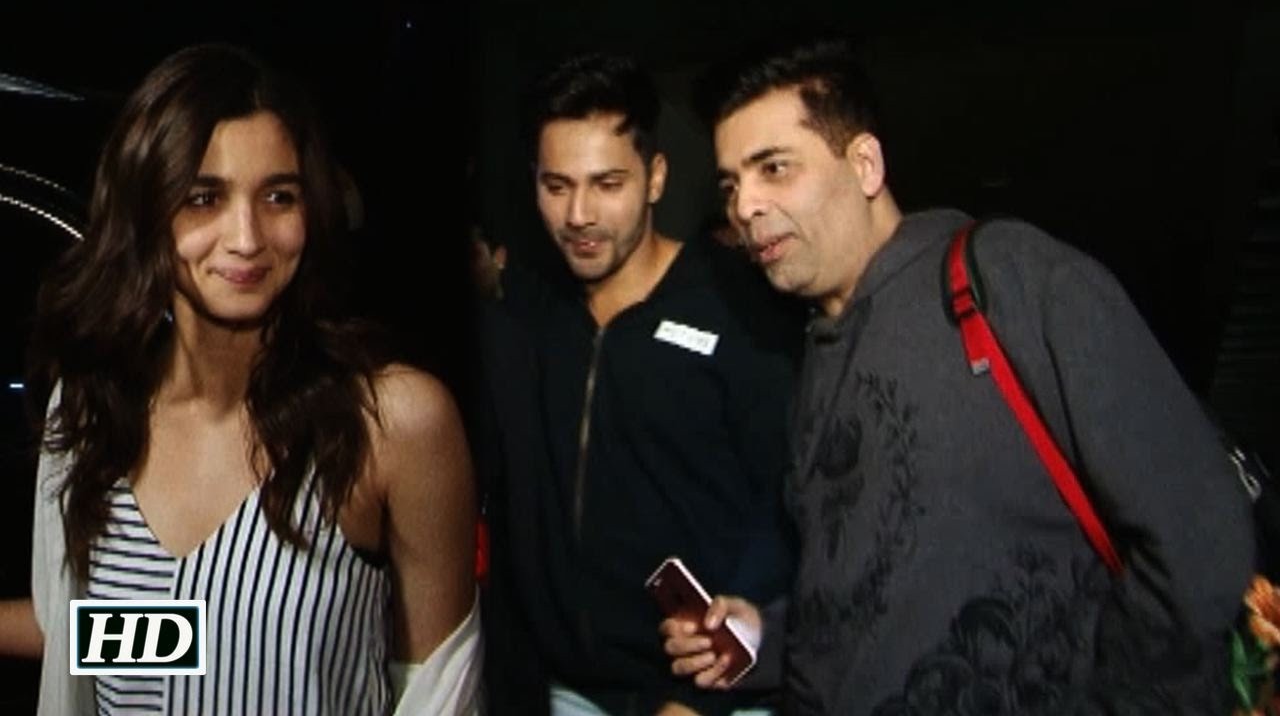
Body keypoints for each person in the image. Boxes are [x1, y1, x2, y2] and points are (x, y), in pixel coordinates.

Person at [662, 38, 1255, 714]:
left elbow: (1198, 537)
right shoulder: (812, 367)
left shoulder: (1010, 278)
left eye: (774, 168)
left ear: (864, 164)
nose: (744, 206)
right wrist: (764, 639)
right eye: (731, 185)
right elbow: (869, 600)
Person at [0, 44, 480, 715]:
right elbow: (183, 640)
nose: (247, 237)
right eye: (205, 198)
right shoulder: (89, 413)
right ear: (146, 211)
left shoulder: (390, 424)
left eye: (279, 196)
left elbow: (442, 693)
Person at [478, 52, 801, 715]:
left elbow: (786, 506)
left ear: (655, 178)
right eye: (557, 185)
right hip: (564, 694)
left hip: (712, 693)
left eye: (607, 183)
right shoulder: (529, 319)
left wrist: (702, 691)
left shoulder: (738, 310)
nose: (578, 214)